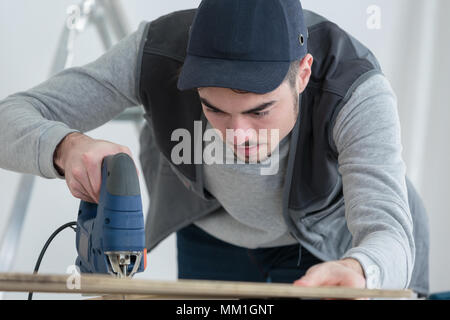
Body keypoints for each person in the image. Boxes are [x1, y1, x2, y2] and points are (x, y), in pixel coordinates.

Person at [0, 0, 429, 296]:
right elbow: (11, 115)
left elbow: (388, 232)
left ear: (302, 74)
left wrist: (361, 271)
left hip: (322, 249)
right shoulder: (155, 54)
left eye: (259, 112)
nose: (237, 135)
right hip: (209, 235)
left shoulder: (354, 87)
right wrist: (65, 146)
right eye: (215, 110)